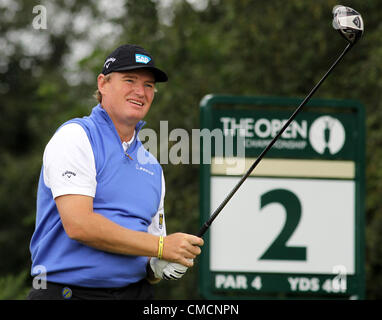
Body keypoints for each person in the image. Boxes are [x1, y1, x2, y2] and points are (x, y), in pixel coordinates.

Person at [27, 44, 204, 300]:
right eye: (129, 80)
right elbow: (79, 225)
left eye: (148, 85)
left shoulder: (153, 166)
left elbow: (150, 257)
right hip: (67, 293)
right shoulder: (75, 137)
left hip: (136, 293)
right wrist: (163, 247)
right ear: (103, 83)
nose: (140, 92)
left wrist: (161, 265)